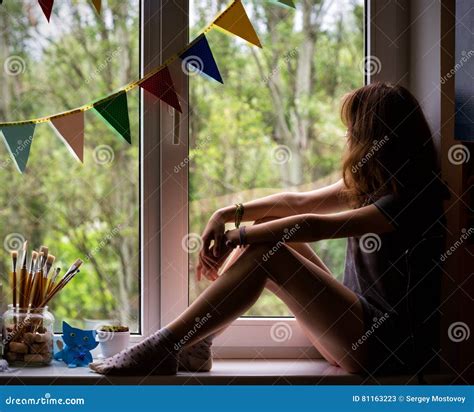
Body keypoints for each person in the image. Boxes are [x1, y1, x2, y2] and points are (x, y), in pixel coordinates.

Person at [90, 82, 447, 376]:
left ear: (377, 140)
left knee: (268, 247)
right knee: (266, 227)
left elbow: (313, 225)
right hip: (356, 333)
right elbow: (297, 202)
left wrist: (238, 236)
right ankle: (196, 348)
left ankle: (166, 344)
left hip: (386, 351)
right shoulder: (375, 187)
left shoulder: (412, 201)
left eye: (353, 131)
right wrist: (227, 214)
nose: (347, 139)